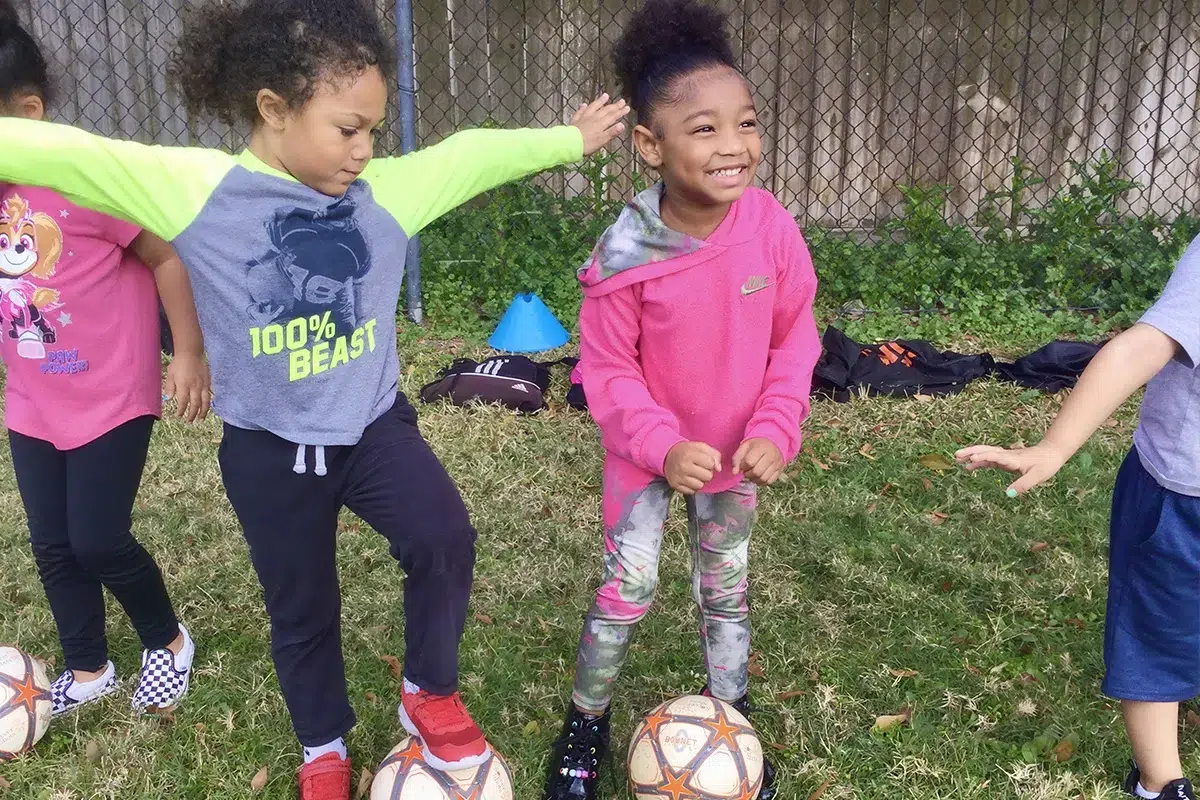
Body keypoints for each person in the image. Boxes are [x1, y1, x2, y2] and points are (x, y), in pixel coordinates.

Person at [0, 1, 628, 797]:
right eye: (347, 129)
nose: (366, 150)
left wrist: (568, 140)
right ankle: (322, 747)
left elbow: (473, 152)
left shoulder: (390, 192)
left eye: (373, 130)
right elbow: (64, 150)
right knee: (302, 610)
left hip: (371, 430)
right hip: (267, 450)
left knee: (444, 538)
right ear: (274, 109)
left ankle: (427, 691)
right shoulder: (196, 189)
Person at [543, 1, 820, 796]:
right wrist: (663, 444)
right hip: (647, 458)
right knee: (626, 588)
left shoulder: (771, 230)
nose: (733, 146)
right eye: (703, 129)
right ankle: (585, 723)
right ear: (648, 146)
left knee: (723, 587)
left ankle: (732, 718)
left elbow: (794, 338)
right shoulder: (624, 257)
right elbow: (608, 373)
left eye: (746, 123)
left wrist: (775, 425)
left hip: (734, 458)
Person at [0, 5, 209, 719]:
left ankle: (167, 639)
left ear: (27, 114)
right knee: (53, 544)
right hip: (32, 398)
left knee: (96, 538)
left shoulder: (88, 178)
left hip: (111, 393)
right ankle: (88, 667)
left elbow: (165, 255)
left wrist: (186, 352)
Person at [957, 237, 1200, 800]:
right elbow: (1141, 348)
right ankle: (1160, 782)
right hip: (1181, 500)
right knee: (1157, 635)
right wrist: (1056, 446)